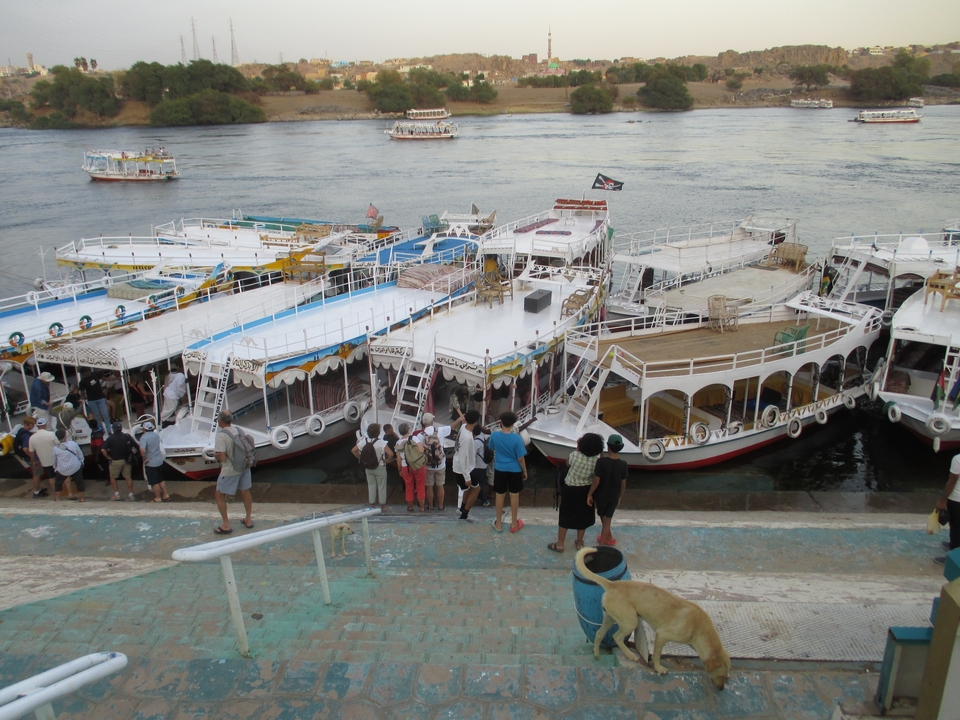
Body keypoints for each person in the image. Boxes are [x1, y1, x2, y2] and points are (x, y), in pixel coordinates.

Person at [549, 433, 603, 552]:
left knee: (565, 515)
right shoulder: (597, 461)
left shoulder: (575, 455)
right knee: (582, 517)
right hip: (586, 491)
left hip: (570, 489)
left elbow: (567, 464)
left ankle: (560, 544)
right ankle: (579, 543)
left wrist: (578, 447)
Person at [213, 410, 253, 534]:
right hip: (244, 466)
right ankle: (248, 519)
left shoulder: (221, 435)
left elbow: (222, 457)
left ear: (220, 421)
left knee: (219, 495)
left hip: (230, 470)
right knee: (245, 491)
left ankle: (226, 524)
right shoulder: (239, 430)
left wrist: (216, 456)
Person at [489, 411, 528, 533]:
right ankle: (514, 523)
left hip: (500, 468)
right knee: (514, 495)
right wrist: (525, 471)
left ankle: (499, 523)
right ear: (513, 424)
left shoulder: (494, 435)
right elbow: (520, 458)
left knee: (500, 495)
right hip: (515, 470)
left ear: (501, 422)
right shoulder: (517, 438)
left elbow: (492, 447)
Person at [588, 434, 629, 547]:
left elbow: (596, 481)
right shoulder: (623, 464)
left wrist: (589, 494)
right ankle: (609, 538)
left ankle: (601, 546)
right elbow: (623, 485)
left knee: (604, 519)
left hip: (601, 496)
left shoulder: (601, 463)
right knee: (607, 520)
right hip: (614, 496)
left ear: (608, 447)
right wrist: (620, 497)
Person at [421, 412, 458, 511]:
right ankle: (441, 506)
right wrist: (460, 419)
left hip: (428, 464)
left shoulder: (421, 435)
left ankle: (431, 506)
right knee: (440, 485)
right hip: (440, 463)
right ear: (432, 421)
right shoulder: (440, 431)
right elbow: (452, 426)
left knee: (429, 486)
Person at [351, 423, 393, 511]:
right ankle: (383, 506)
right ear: (378, 433)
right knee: (381, 486)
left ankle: (372, 506)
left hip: (368, 467)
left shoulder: (364, 441)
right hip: (380, 466)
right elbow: (390, 454)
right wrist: (387, 460)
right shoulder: (381, 442)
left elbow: (353, 450)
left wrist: (361, 459)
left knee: (371, 485)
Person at [452, 410, 482, 520]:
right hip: (464, 468)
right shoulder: (468, 438)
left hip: (459, 466)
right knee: (476, 489)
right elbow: (463, 458)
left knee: (467, 489)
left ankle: (462, 509)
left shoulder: (463, 427)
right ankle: (465, 514)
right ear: (476, 421)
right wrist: (467, 476)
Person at [102, 421, 139, 501]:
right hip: (126, 460)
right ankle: (131, 495)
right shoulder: (126, 436)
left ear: (113, 429)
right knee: (128, 477)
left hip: (115, 460)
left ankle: (116, 494)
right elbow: (134, 445)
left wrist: (108, 457)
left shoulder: (110, 438)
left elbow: (103, 450)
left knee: (113, 477)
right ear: (121, 428)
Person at [935, 454, 960, 565]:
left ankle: (954, 557)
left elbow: (952, 481)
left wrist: (942, 500)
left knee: (956, 529)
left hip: (957, 500)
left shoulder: (958, 459)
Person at [395, 422, 426, 512]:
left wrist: (399, 469)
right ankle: (422, 508)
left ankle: (410, 507)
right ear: (408, 430)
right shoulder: (414, 438)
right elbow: (421, 450)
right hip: (418, 465)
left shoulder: (398, 443)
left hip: (405, 467)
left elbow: (398, 459)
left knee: (409, 487)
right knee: (420, 486)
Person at [14, 416, 46, 498]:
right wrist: (33, 459)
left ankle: (38, 488)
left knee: (36, 473)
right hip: (31, 458)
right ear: (28, 424)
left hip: (27, 457)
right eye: (33, 425)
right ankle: (36, 492)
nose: (33, 426)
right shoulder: (26, 436)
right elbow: (25, 449)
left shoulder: (21, 431)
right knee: (36, 474)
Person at [139, 420, 170, 502]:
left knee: (154, 481)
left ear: (144, 429)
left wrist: (144, 458)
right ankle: (165, 495)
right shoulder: (156, 435)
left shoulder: (143, 437)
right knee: (160, 479)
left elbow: (143, 450)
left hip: (151, 462)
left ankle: (157, 497)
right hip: (159, 460)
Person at [27, 417, 58, 498]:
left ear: (37, 426)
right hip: (56, 459)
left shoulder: (32, 438)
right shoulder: (51, 434)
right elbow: (59, 445)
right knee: (62, 476)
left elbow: (31, 451)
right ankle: (67, 491)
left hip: (45, 461)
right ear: (45, 425)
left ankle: (56, 494)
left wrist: (34, 461)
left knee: (51, 478)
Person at [52, 428, 85, 502]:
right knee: (79, 482)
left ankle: (57, 498)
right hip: (75, 466)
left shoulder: (55, 448)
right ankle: (82, 498)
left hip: (63, 469)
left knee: (58, 483)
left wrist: (55, 468)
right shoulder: (73, 444)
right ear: (65, 436)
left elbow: (54, 460)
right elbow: (80, 454)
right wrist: (82, 462)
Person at [79, 368, 110, 432]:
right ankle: (101, 429)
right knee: (97, 416)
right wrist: (82, 400)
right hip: (91, 400)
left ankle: (109, 430)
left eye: (85, 374)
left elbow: (105, 379)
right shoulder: (82, 382)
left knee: (105, 414)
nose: (84, 375)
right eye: (82, 374)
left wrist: (116, 378)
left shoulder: (95, 374)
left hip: (100, 398)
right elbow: (82, 393)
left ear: (88, 371)